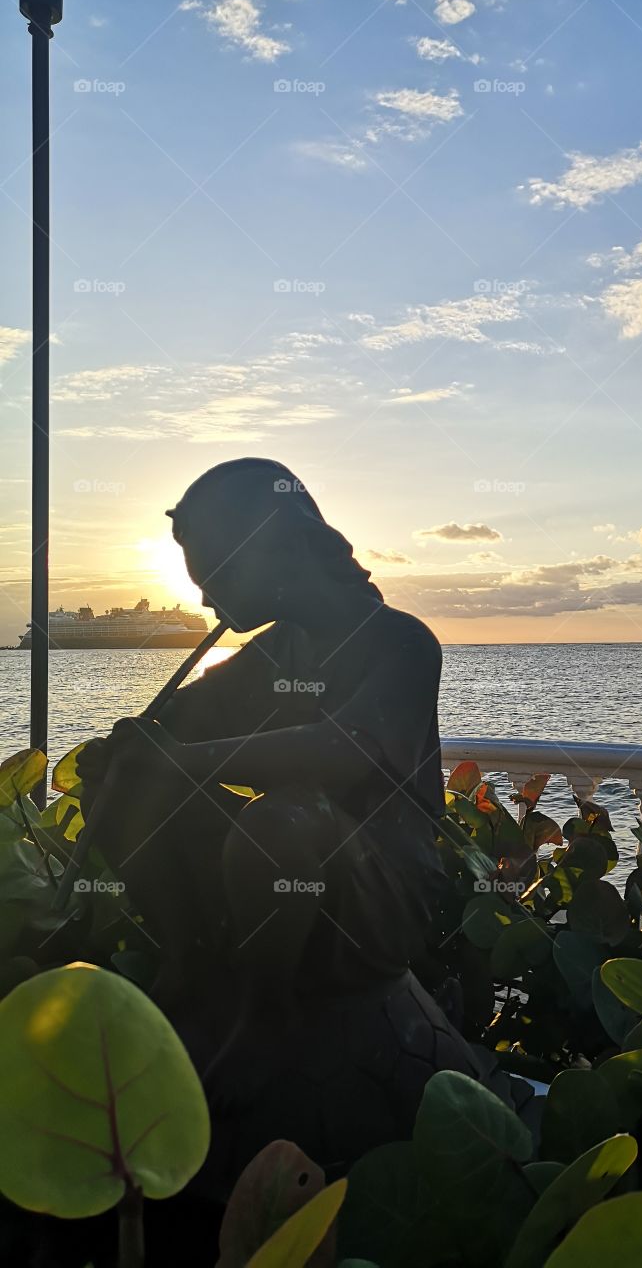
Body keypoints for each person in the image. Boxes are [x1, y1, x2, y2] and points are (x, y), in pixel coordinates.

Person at [77, 459, 447, 1093]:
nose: (204, 597)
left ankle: (265, 1014)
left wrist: (180, 760)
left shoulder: (400, 641)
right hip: (292, 868)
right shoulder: (277, 653)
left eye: (219, 573)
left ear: (283, 548)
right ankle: (189, 963)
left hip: (385, 889)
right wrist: (131, 754)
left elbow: (344, 750)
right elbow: (181, 725)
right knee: (138, 784)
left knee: (281, 821)